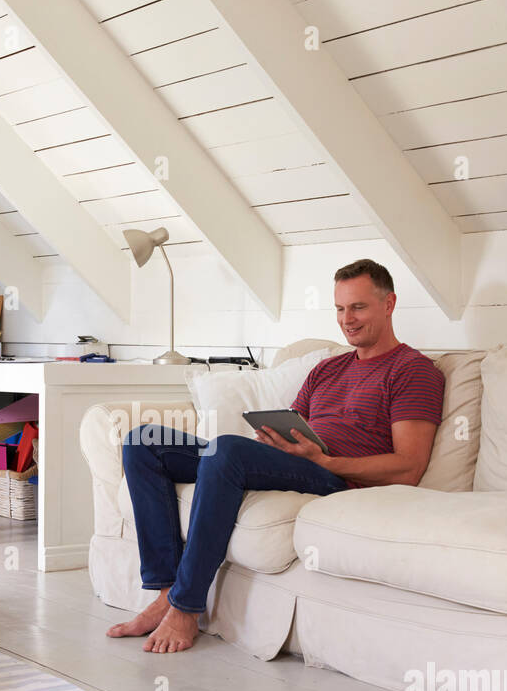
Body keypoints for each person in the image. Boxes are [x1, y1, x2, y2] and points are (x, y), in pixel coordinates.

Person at [108, 258, 446, 653]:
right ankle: (166, 591)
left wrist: (325, 461)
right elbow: (295, 423)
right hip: (298, 462)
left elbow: (409, 466)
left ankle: (186, 607)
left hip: (335, 477)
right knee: (142, 440)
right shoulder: (327, 369)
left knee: (228, 449)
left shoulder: (413, 370)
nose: (346, 320)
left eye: (358, 307)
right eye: (339, 308)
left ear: (389, 304)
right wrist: (272, 439)